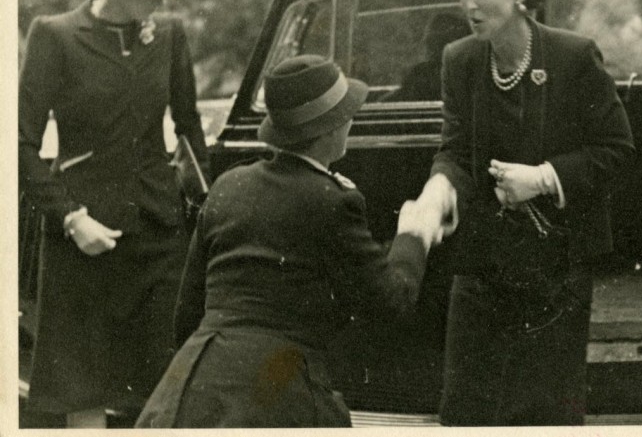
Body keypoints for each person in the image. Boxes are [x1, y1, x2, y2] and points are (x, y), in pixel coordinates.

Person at [409, 0, 635, 425]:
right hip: (483, 266)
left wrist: (543, 178)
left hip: (557, 269)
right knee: (467, 412)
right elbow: (454, 149)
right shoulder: (460, 60)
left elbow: (616, 148)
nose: (468, 5)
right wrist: (438, 189)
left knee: (545, 417)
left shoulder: (573, 57)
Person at [135, 54, 447, 428]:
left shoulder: (228, 185)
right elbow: (391, 302)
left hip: (191, 386)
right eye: (347, 114)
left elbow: (187, 312)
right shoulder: (333, 199)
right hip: (275, 391)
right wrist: (415, 233)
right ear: (332, 128)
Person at [18, 0, 207, 428]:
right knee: (83, 392)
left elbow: (189, 128)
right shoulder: (54, 35)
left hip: (158, 233)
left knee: (165, 388)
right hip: (84, 237)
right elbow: (20, 143)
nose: (160, 4)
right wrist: (70, 218)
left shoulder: (169, 35)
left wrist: (200, 205)